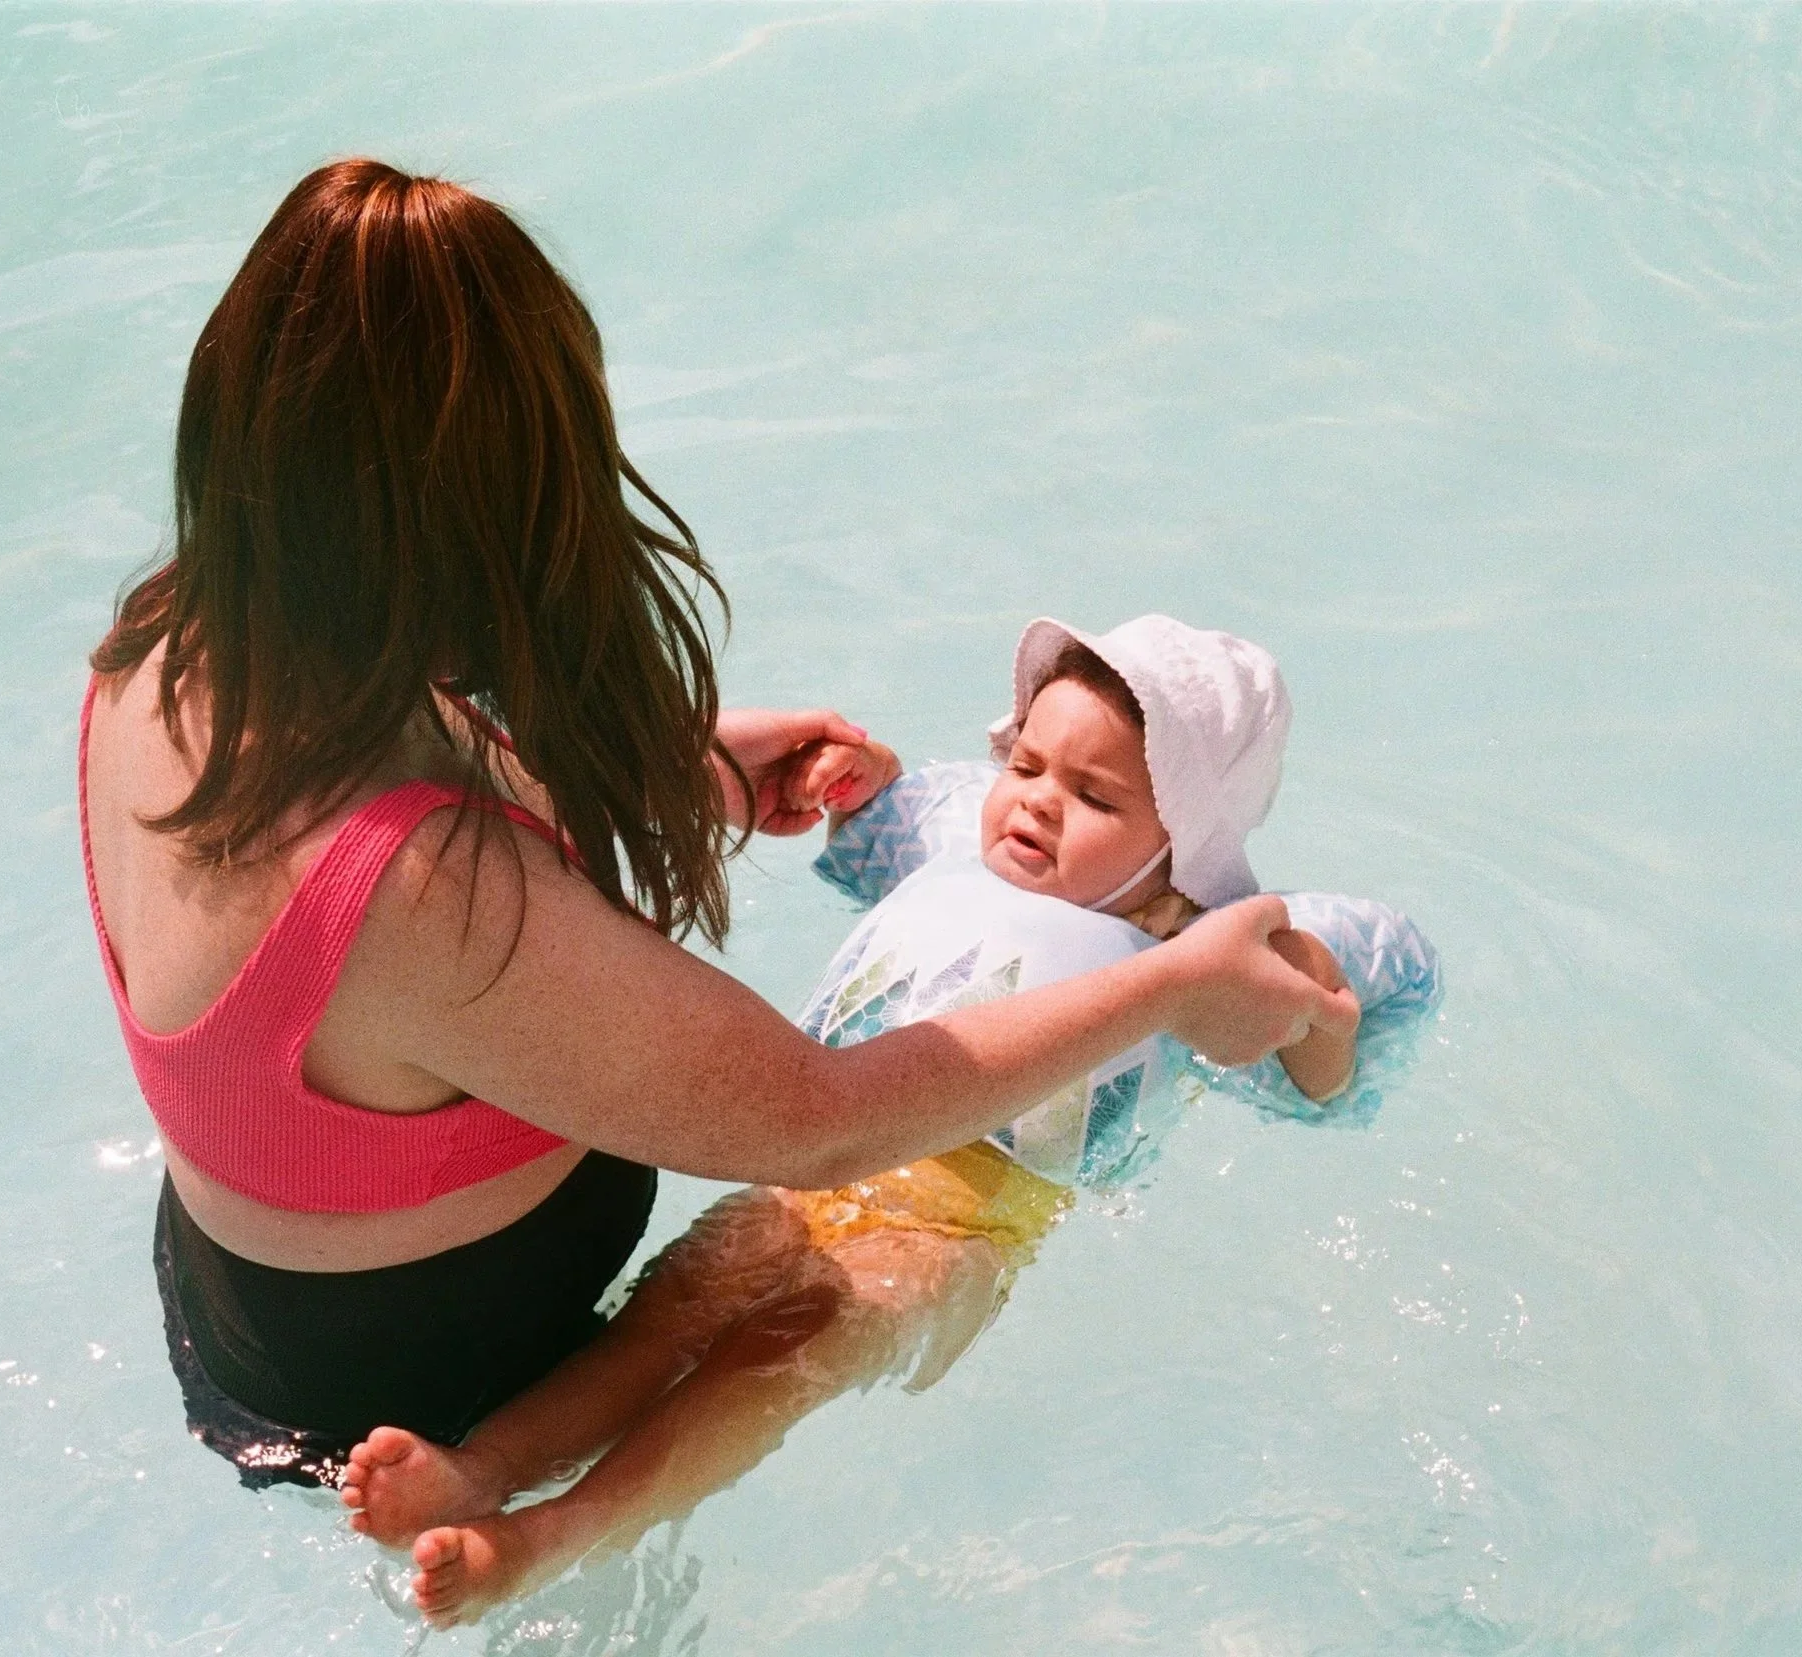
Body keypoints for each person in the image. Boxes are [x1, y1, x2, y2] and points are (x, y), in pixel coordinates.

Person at [79, 159, 1348, 1524]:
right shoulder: (426, 889)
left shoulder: (165, 647)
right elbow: (820, 1121)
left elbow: (366, 827)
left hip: (243, 1311)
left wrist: (674, 775)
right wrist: (1172, 982)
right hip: (434, 1395)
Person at [339, 615, 1437, 1626]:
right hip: (809, 1165)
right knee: (666, 1315)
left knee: (772, 1354)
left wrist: (1314, 1007)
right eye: (1025, 764)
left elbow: (1319, 1075)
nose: (1037, 801)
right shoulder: (962, 845)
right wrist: (860, 784)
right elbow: (871, 840)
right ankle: (484, 1468)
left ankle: (554, 1532)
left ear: (1182, 845)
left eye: (1095, 799)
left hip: (961, 1229)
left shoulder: (1189, 951)